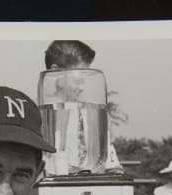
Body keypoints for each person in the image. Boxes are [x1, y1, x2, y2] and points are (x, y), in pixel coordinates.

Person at [42, 39, 124, 175]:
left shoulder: (94, 113)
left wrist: (114, 172)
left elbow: (109, 160)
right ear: (55, 72)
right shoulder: (35, 112)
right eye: (78, 79)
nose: (82, 86)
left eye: (85, 80)